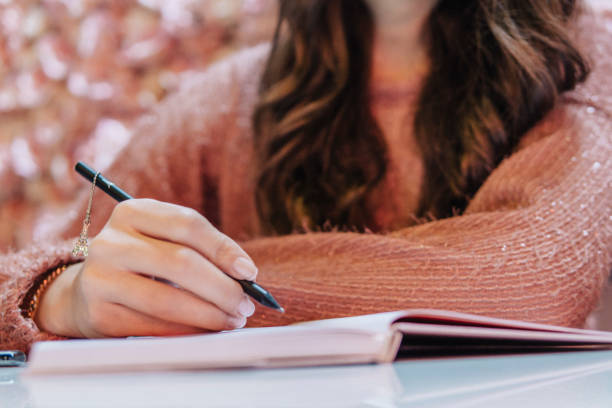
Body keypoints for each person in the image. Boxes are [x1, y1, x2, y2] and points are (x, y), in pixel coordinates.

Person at [1, 0, 610, 353]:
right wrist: (60, 297)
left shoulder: (586, 57)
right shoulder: (228, 102)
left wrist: (192, 290)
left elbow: (520, 287)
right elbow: (26, 273)